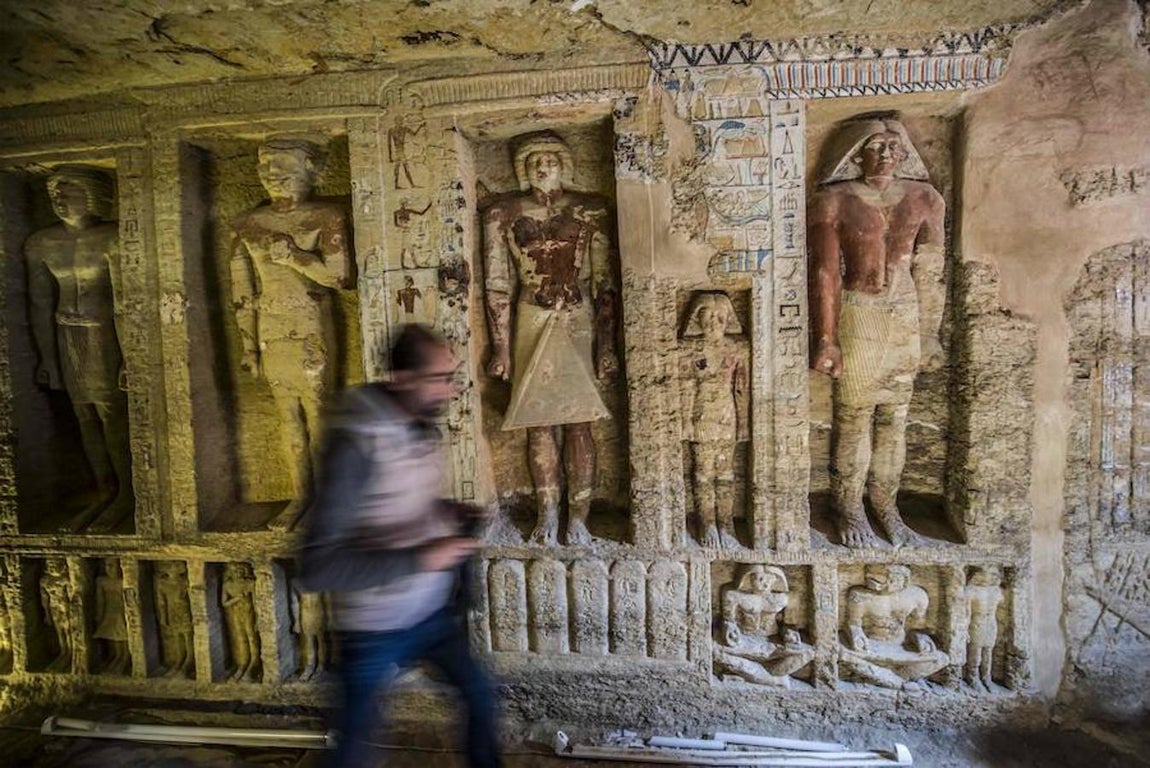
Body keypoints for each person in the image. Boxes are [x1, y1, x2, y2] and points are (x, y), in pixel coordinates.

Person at [298, 324, 501, 768]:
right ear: (402, 379)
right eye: (439, 379)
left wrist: (447, 512)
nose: (449, 391)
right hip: (376, 625)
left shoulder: (418, 423)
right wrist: (424, 556)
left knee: (482, 699)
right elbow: (317, 567)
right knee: (354, 747)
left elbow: (397, 505)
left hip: (429, 610)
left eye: (451, 377)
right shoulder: (357, 442)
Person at [807, 114, 946, 548]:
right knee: (853, 418)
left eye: (893, 146)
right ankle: (848, 508)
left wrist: (929, 333)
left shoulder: (925, 198)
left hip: (905, 311)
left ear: (906, 153)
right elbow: (826, 272)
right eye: (877, 146)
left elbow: (931, 270)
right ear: (857, 152)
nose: (886, 154)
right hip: (859, 310)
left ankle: (887, 506)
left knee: (895, 420)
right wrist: (826, 338)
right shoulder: (835, 199)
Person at [483, 131, 619, 546]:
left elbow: (603, 284)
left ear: (564, 164)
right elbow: (497, 284)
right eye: (534, 159)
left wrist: (607, 346)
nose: (542, 165)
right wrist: (501, 348)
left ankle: (579, 517)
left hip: (577, 317)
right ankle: (548, 511)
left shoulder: (589, 209)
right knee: (538, 423)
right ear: (523, 169)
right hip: (531, 315)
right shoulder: (502, 214)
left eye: (551, 158)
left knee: (580, 422)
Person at [230, 137, 354, 531]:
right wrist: (249, 345)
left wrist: (297, 257)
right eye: (266, 166)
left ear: (309, 169)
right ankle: (301, 496)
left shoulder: (324, 216)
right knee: (286, 416)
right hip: (270, 324)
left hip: (309, 319)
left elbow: (339, 278)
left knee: (318, 412)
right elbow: (242, 293)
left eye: (284, 165)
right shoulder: (247, 224)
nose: (273, 175)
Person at [25, 166, 133, 532]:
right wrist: (47, 358)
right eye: (55, 193)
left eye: (67, 192)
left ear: (91, 195)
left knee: (110, 414)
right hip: (64, 332)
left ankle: (127, 494)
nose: (58, 199)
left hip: (103, 334)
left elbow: (123, 301)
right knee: (83, 415)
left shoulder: (111, 237)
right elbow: (39, 304)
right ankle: (104, 489)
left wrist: (130, 356)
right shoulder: (41, 243)